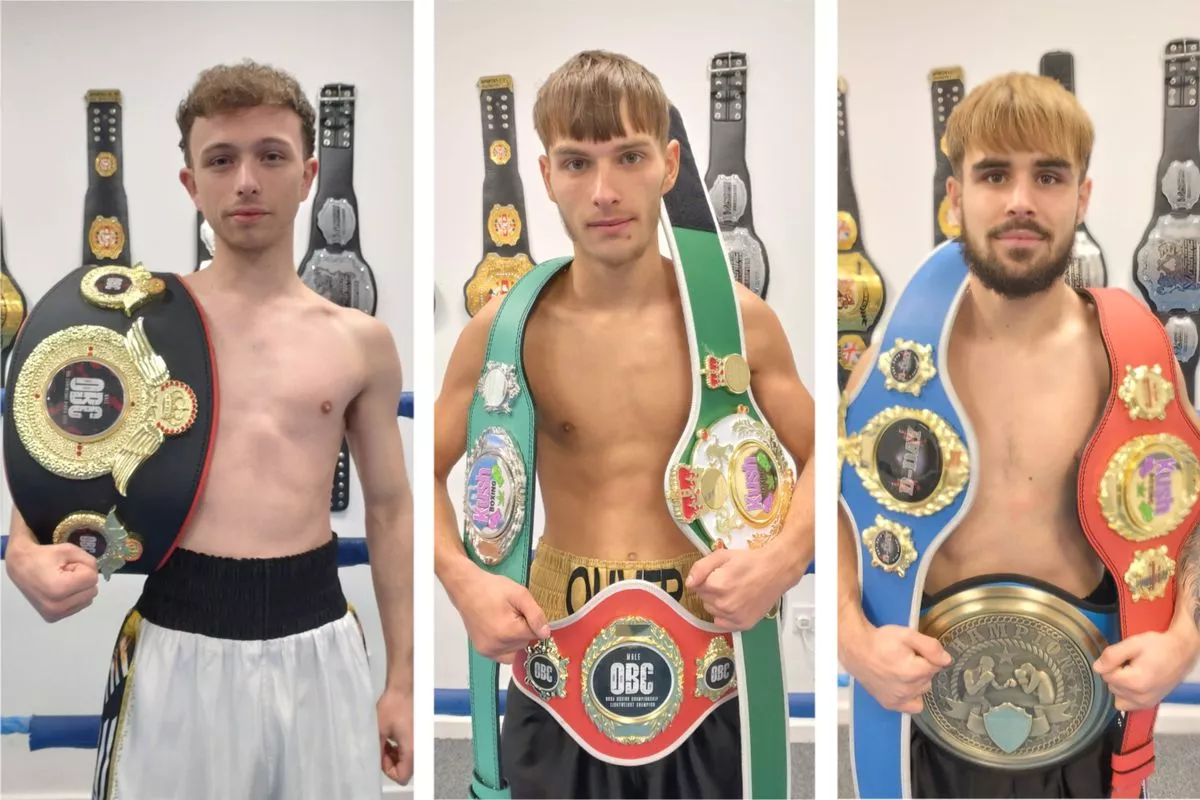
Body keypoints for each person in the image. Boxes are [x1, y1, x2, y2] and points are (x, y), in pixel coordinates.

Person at [4, 61, 414, 799]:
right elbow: (55, 447)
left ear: (310, 174)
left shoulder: (361, 342)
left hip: (319, 643)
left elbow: (388, 508)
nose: (247, 180)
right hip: (174, 645)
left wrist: (406, 681)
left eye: (270, 155)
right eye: (221, 160)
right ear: (191, 183)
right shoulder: (132, 324)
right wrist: (23, 551)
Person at [434, 50, 815, 799]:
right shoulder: (504, 330)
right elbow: (409, 478)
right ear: (545, 176)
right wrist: (462, 579)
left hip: (711, 657)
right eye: (577, 163)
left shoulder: (737, 325)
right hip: (557, 657)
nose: (604, 191)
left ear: (669, 165)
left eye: (629, 157)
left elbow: (830, 459)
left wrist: (782, 560)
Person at [837, 72, 1200, 798]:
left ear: (1083, 197)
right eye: (994, 174)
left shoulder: (1136, 357)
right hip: (925, 724)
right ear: (955, 197)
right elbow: (844, 515)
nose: (1020, 201)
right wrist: (851, 637)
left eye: (1049, 175)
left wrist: (1186, 637)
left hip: (1087, 725)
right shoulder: (894, 366)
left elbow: (1190, 517)